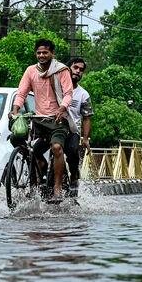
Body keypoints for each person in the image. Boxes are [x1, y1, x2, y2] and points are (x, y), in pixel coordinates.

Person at [9, 38, 74, 198]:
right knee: (30, 149)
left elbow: (68, 93)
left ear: (52, 53)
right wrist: (15, 110)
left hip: (58, 120)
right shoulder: (31, 71)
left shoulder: (61, 70)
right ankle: (40, 177)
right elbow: (22, 93)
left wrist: (62, 107)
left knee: (57, 148)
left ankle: (58, 187)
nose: (42, 55)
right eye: (39, 52)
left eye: (45, 52)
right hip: (39, 120)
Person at [65, 57, 92, 194]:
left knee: (73, 154)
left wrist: (85, 139)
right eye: (75, 67)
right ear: (68, 68)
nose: (78, 71)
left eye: (81, 70)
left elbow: (87, 117)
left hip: (72, 131)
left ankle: (74, 178)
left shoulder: (83, 94)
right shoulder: (57, 86)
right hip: (53, 127)